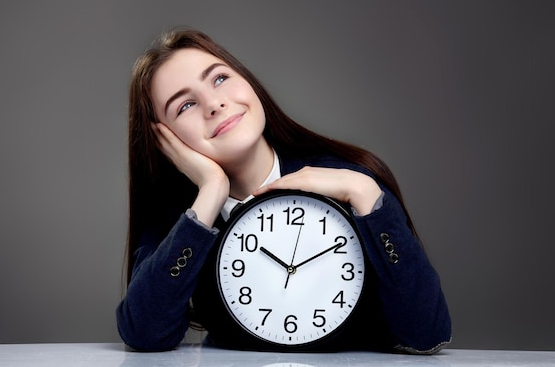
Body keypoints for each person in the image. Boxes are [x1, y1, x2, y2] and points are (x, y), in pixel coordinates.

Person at [116, 27, 452, 354]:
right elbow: (143, 332)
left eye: (220, 78)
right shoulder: (184, 221)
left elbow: (427, 333)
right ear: (165, 140)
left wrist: (364, 190)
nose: (214, 104)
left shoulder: (348, 183)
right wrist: (211, 191)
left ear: (248, 82)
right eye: (185, 105)